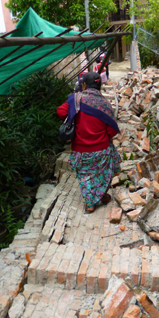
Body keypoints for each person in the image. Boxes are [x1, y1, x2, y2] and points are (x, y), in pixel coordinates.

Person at [57, 72, 121, 213]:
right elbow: (112, 132)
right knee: (103, 171)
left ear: (84, 85)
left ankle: (90, 204)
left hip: (81, 151)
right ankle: (102, 195)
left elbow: (60, 112)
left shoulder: (75, 99)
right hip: (101, 150)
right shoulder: (105, 104)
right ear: (100, 85)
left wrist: (74, 115)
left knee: (85, 175)